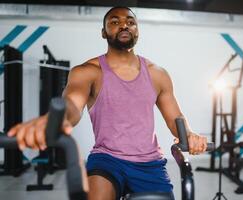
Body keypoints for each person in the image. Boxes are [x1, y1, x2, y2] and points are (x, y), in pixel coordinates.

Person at [8, 6, 207, 200]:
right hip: (107, 159)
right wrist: (55, 119)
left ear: (137, 30)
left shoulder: (158, 74)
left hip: (149, 163)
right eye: (115, 22)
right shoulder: (87, 71)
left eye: (130, 22)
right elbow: (72, 105)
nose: (124, 25)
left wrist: (189, 134)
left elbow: (175, 119)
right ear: (104, 32)